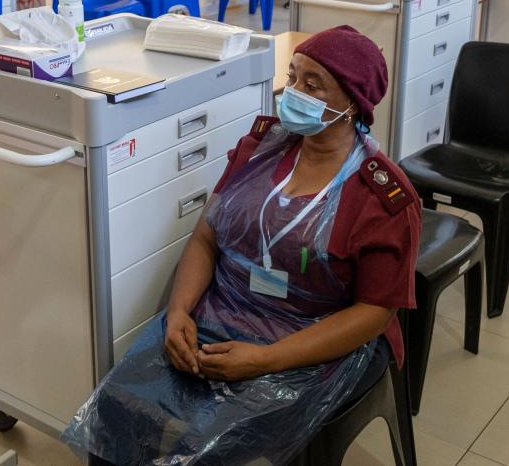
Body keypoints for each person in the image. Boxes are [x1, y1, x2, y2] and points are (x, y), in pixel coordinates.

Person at [61, 25, 420, 466]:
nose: (294, 92)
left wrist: (265, 360)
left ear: (353, 102)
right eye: (292, 77)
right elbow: (206, 237)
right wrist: (178, 313)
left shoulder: (382, 198)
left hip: (313, 335)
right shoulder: (261, 151)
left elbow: (373, 313)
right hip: (225, 308)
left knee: (210, 447)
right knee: (120, 405)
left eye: (313, 84)